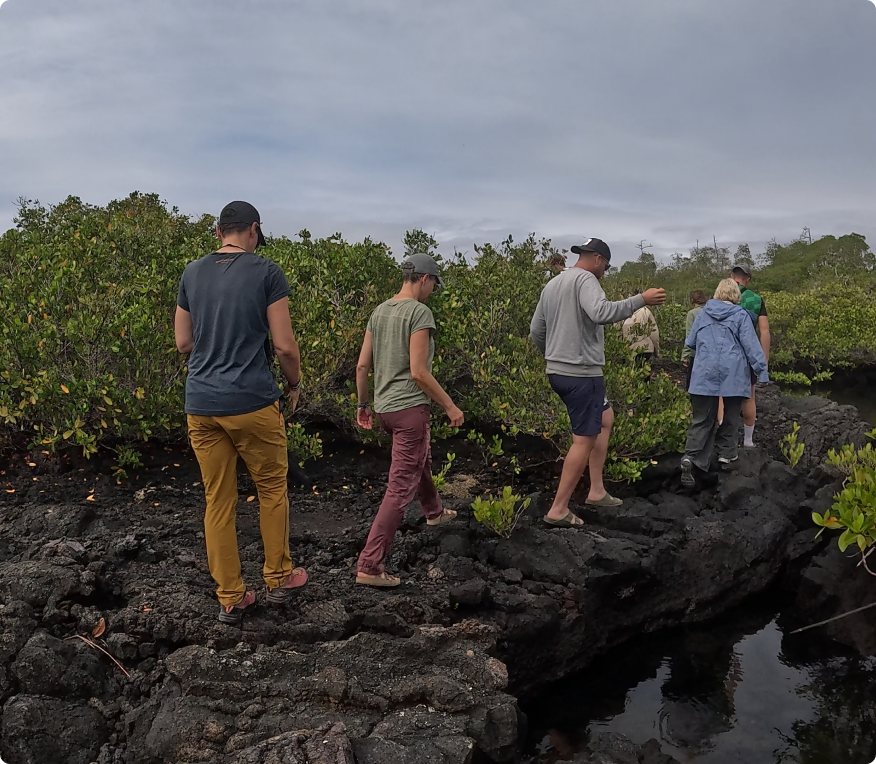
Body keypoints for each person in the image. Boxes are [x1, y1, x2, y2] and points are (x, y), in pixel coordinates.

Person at [174, 201, 307, 625]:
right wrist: (294, 383)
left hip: (201, 404)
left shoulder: (192, 272)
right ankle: (279, 576)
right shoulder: (267, 271)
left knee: (218, 500)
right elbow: (284, 346)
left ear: (218, 232)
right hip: (252, 401)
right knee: (271, 489)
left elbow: (183, 342)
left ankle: (231, 597)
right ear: (253, 230)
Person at [530, 238, 666, 527]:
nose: (604, 271)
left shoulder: (553, 284)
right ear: (598, 259)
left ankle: (596, 490)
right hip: (582, 374)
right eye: (606, 266)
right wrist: (641, 299)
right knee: (584, 439)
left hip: (559, 372)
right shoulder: (586, 280)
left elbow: (536, 330)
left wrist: (555, 357)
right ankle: (558, 509)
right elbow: (601, 313)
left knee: (605, 418)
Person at [354, 253, 463, 587]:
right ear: (425, 279)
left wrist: (363, 404)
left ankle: (434, 512)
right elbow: (418, 372)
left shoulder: (379, 311)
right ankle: (370, 565)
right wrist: (450, 406)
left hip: (385, 409)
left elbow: (362, 366)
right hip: (409, 410)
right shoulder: (419, 312)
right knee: (400, 488)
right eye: (433, 285)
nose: (432, 292)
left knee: (419, 459)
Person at [680, 279, 768, 488]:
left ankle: (691, 457)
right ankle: (726, 456)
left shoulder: (702, 313)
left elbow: (690, 342)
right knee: (730, 415)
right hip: (733, 374)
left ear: (717, 293)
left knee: (702, 419)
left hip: (704, 373)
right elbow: (751, 347)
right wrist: (762, 372)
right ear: (736, 295)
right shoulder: (741, 315)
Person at [730, 263, 770, 447]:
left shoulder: (720, 297)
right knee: (749, 397)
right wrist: (764, 361)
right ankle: (748, 441)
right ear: (748, 279)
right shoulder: (756, 299)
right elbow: (764, 332)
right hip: (747, 355)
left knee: (722, 397)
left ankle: (725, 440)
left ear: (732, 277)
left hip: (723, 354)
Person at [621, 295, 660, 364]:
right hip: (646, 349)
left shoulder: (621, 311)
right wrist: (657, 351)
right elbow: (654, 334)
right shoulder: (646, 311)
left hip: (629, 350)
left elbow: (617, 332)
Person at [681, 290, 708, 389]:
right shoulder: (710, 312)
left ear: (693, 301)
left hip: (695, 353)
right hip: (710, 353)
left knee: (691, 384)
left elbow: (689, 336)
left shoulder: (692, 314)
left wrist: (685, 355)